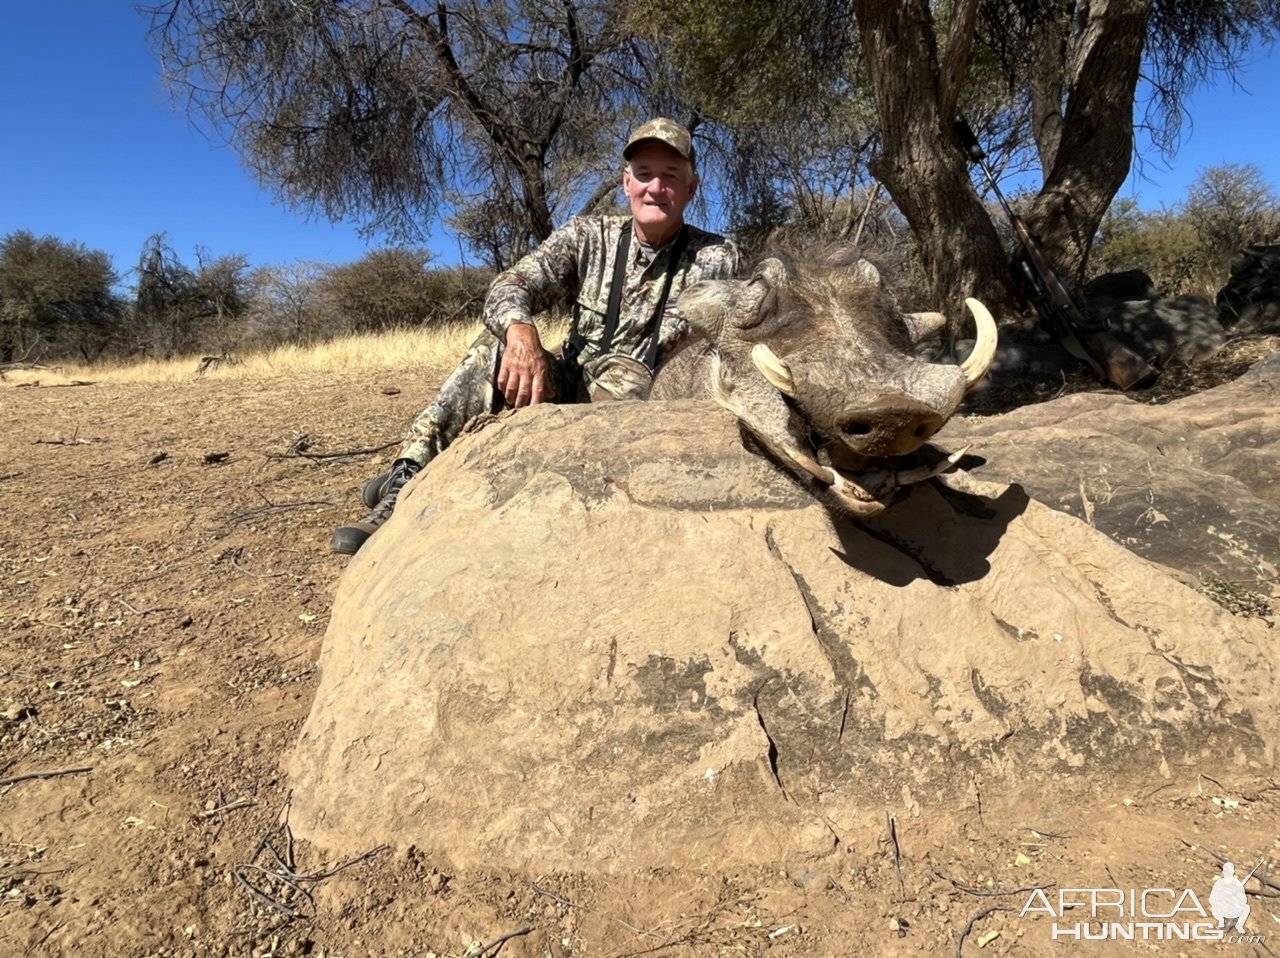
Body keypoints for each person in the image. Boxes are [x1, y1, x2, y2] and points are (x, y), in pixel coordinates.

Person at [331, 117, 740, 554]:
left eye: (670, 176)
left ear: (692, 188)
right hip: (567, 396)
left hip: (649, 420)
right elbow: (509, 286)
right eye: (644, 174)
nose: (655, 187)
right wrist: (521, 333)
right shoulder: (587, 235)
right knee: (494, 345)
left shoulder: (722, 258)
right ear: (626, 183)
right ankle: (406, 479)